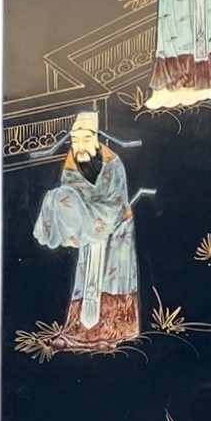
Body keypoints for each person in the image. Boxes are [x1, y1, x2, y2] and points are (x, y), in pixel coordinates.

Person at [32, 111, 141, 350]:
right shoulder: (72, 162)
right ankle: (76, 331)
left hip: (116, 227)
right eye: (75, 140)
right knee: (85, 279)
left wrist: (94, 218)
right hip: (88, 227)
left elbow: (115, 201)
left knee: (112, 278)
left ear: (96, 139)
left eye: (85, 139)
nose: (80, 145)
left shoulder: (113, 164)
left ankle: (111, 333)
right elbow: (70, 195)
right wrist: (78, 217)